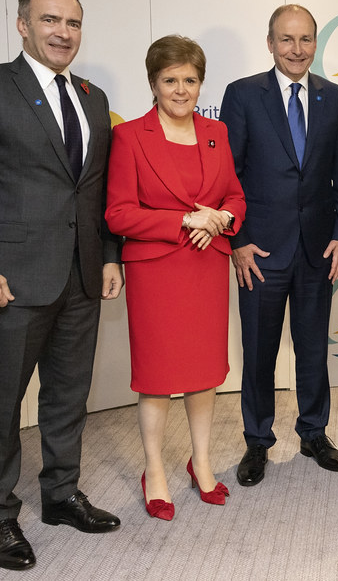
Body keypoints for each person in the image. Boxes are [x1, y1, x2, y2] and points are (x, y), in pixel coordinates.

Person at [0, 0, 123, 571]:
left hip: (81, 277)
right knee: (0, 403)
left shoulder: (93, 97)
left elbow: (95, 191)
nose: (62, 32)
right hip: (9, 281)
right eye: (49, 20)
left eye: (72, 22)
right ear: (22, 25)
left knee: (68, 397)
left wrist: (111, 254)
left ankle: (62, 494)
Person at [105, 35, 246, 521]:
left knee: (205, 374)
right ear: (153, 83)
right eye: (170, 80)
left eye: (190, 80)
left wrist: (221, 219)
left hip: (206, 268)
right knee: (158, 378)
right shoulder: (129, 137)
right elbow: (118, 213)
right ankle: (154, 470)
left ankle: (201, 462)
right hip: (157, 273)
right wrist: (185, 221)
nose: (181, 90)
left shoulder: (217, 132)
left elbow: (236, 198)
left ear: (201, 83)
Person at [219, 4, 338, 485]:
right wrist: (238, 240)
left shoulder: (335, 98)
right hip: (260, 250)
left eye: (305, 40)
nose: (296, 50)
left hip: (317, 250)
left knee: (313, 348)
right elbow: (227, 174)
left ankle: (314, 433)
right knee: (258, 351)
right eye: (286, 40)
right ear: (270, 42)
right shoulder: (242, 95)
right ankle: (257, 441)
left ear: (316, 44)